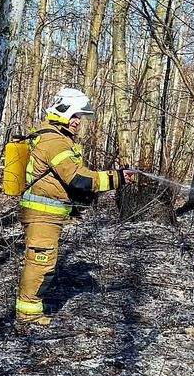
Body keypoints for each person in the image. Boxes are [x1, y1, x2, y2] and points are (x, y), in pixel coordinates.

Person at [15, 87, 136, 326]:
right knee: (40, 262)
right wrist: (117, 178)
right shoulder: (54, 141)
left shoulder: (53, 137)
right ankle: (27, 315)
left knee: (43, 261)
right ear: (62, 112)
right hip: (42, 214)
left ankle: (30, 309)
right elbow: (78, 179)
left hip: (46, 214)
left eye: (79, 117)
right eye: (74, 116)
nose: (77, 122)